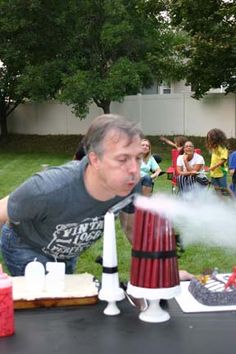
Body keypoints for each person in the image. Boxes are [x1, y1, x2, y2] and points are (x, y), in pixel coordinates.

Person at [0, 114, 144, 276]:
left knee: (65, 297)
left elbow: (132, 229)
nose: (134, 169)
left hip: (65, 251)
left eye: (138, 158)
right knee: (46, 299)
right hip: (25, 245)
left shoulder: (130, 184)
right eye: (123, 159)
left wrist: (161, 268)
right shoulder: (48, 187)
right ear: (95, 160)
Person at [205, 128, 229, 194]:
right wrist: (211, 168)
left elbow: (224, 160)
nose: (209, 139)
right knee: (216, 190)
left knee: (223, 189)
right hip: (213, 173)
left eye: (210, 138)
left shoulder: (222, 147)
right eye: (208, 138)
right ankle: (218, 203)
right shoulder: (214, 148)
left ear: (216, 138)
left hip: (221, 172)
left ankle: (227, 202)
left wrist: (213, 167)